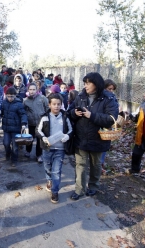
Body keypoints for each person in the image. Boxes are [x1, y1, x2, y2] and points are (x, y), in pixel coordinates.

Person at [68, 72, 118, 200]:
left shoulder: (108, 98)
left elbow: (112, 118)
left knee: (95, 165)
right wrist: (74, 113)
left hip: (98, 139)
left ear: (96, 84)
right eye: (84, 83)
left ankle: (93, 187)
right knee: (80, 165)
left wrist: (92, 116)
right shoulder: (80, 96)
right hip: (81, 138)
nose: (85, 86)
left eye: (88, 83)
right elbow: (69, 112)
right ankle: (79, 190)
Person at [36, 93, 72, 203]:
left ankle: (55, 192)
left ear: (61, 105)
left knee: (56, 171)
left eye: (59, 104)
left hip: (60, 149)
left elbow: (71, 130)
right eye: (54, 104)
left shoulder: (65, 117)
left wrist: (67, 136)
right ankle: (49, 180)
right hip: (47, 148)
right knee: (47, 167)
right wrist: (43, 138)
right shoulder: (45, 117)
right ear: (49, 105)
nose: (56, 106)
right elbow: (38, 130)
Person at [0, 87, 28, 167]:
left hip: (16, 128)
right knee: (6, 143)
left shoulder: (19, 104)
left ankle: (14, 160)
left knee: (15, 146)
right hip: (6, 128)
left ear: (15, 96)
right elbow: (1, 112)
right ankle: (8, 153)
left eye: (12, 96)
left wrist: (23, 124)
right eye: (8, 96)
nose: (10, 98)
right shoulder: (4, 103)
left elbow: (23, 114)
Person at [23, 83, 49, 163]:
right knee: (30, 139)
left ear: (37, 90)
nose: (32, 91)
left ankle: (39, 155)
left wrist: (46, 117)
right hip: (31, 123)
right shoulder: (25, 100)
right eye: (30, 89)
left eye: (34, 89)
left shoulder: (42, 98)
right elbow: (23, 111)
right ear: (28, 90)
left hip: (41, 123)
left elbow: (47, 107)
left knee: (39, 140)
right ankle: (28, 151)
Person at [100, 79, 119, 174]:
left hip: (109, 125)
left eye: (112, 89)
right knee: (101, 145)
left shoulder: (113, 97)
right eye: (109, 88)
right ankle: (99, 165)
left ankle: (101, 164)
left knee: (105, 145)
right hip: (102, 123)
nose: (111, 91)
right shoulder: (102, 98)